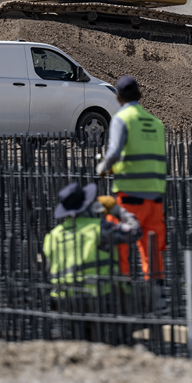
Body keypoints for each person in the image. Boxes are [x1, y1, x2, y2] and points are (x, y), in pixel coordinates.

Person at [42, 181, 141, 343]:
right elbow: (136, 231)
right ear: (87, 205)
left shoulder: (53, 236)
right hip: (101, 298)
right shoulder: (99, 228)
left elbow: (48, 270)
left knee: (75, 341)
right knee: (142, 296)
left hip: (64, 303)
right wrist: (117, 210)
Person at [94, 75, 167, 280]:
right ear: (140, 95)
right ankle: (156, 293)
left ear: (118, 97)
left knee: (119, 246)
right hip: (155, 197)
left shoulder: (122, 119)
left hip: (129, 198)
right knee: (153, 248)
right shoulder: (156, 123)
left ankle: (122, 289)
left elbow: (115, 151)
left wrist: (103, 167)